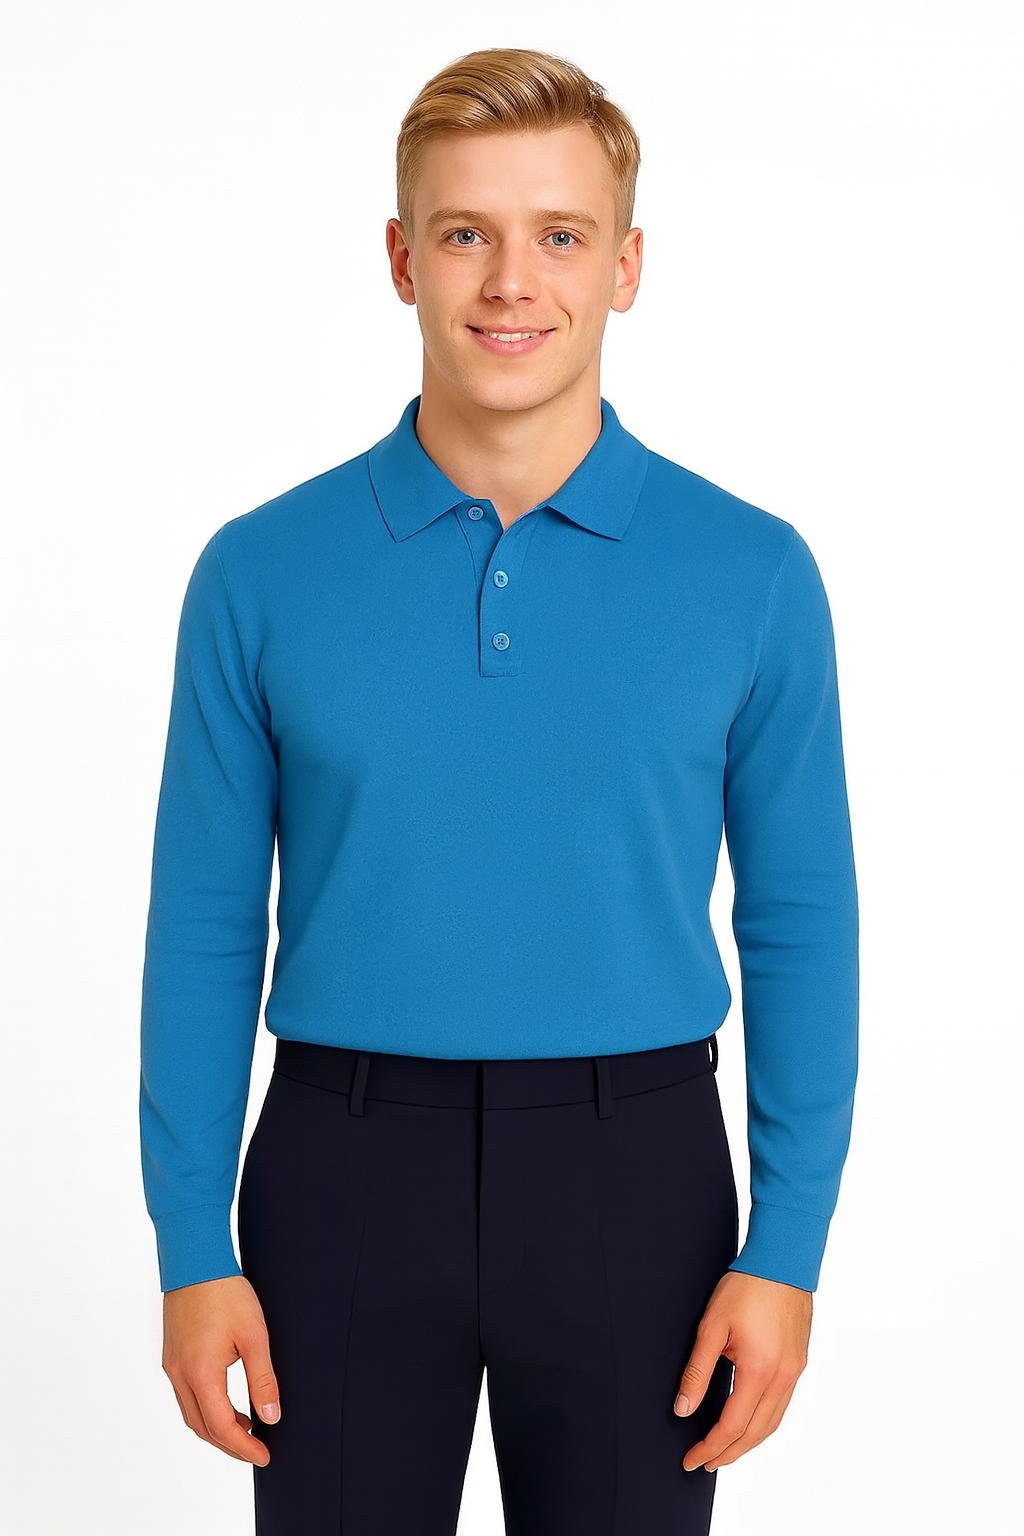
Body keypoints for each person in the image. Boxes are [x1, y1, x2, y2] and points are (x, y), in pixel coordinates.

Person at [140, 45, 859, 1536]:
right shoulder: (260, 574)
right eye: (466, 232)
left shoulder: (754, 574)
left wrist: (787, 1246)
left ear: (627, 267)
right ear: (402, 260)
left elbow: (801, 923)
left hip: (637, 1177)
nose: (512, 281)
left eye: (561, 235)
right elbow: (203, 925)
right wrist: (191, 1242)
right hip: (341, 1168)